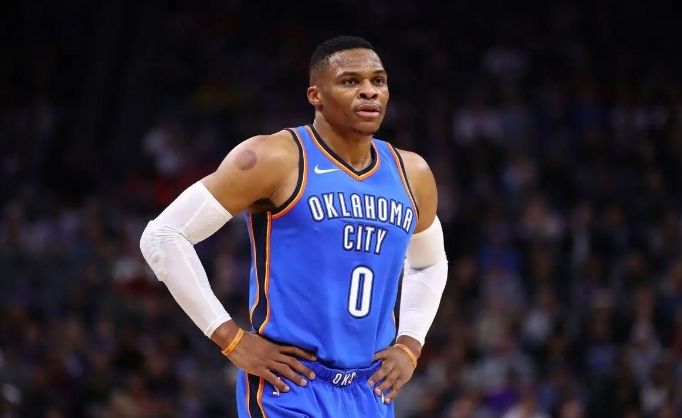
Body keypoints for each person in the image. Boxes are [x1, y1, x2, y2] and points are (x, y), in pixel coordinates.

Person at [140, 35, 448, 418]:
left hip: (369, 390)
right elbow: (163, 235)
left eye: (378, 81)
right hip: (290, 386)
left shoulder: (412, 173)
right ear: (315, 95)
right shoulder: (275, 157)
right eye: (350, 81)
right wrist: (230, 338)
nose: (369, 91)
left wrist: (410, 344)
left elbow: (430, 262)